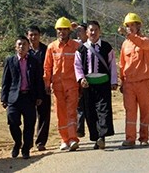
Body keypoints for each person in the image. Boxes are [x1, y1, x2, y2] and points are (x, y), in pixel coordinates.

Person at [74, 20, 118, 150]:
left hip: (103, 84)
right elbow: (77, 66)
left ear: (100, 31)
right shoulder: (81, 49)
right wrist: (81, 79)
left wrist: (113, 81)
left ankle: (102, 137)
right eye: (90, 30)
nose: (93, 32)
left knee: (103, 110)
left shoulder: (106, 47)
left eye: (95, 30)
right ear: (86, 32)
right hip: (88, 86)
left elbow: (112, 65)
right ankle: (96, 137)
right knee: (90, 111)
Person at [1, 36, 43, 159]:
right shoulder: (10, 60)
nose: (22, 46)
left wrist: (39, 96)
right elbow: (5, 81)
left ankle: (26, 149)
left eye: (24, 44)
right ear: (15, 47)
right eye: (19, 44)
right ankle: (17, 143)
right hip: (13, 98)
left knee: (29, 125)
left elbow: (38, 80)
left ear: (28, 46)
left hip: (29, 98)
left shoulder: (34, 61)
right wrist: (4, 98)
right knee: (13, 122)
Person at [43, 17, 82, 151]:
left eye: (65, 29)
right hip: (57, 86)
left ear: (69, 31)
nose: (62, 32)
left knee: (71, 113)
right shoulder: (51, 47)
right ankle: (64, 139)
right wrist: (47, 84)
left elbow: (81, 65)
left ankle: (72, 139)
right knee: (60, 114)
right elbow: (47, 67)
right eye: (60, 29)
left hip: (72, 85)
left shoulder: (76, 46)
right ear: (56, 31)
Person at [118, 12, 149, 148]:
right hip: (129, 84)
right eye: (128, 26)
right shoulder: (125, 44)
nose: (130, 27)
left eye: (133, 25)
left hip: (144, 81)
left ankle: (144, 137)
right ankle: (130, 138)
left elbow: (143, 45)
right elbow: (122, 64)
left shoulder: (147, 40)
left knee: (145, 110)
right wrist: (122, 81)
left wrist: (129, 36)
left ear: (139, 26)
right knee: (130, 111)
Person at [27, 25, 50, 152]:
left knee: (44, 115)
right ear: (27, 36)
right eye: (31, 35)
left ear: (39, 35)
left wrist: (49, 84)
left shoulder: (46, 50)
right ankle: (28, 142)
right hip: (29, 88)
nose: (33, 37)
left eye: (35, 34)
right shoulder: (25, 50)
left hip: (43, 87)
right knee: (29, 116)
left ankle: (41, 142)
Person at [73, 22, 89, 138]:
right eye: (77, 31)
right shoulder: (76, 45)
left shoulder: (92, 44)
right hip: (78, 80)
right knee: (79, 105)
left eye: (80, 31)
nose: (78, 33)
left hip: (91, 80)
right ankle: (79, 129)